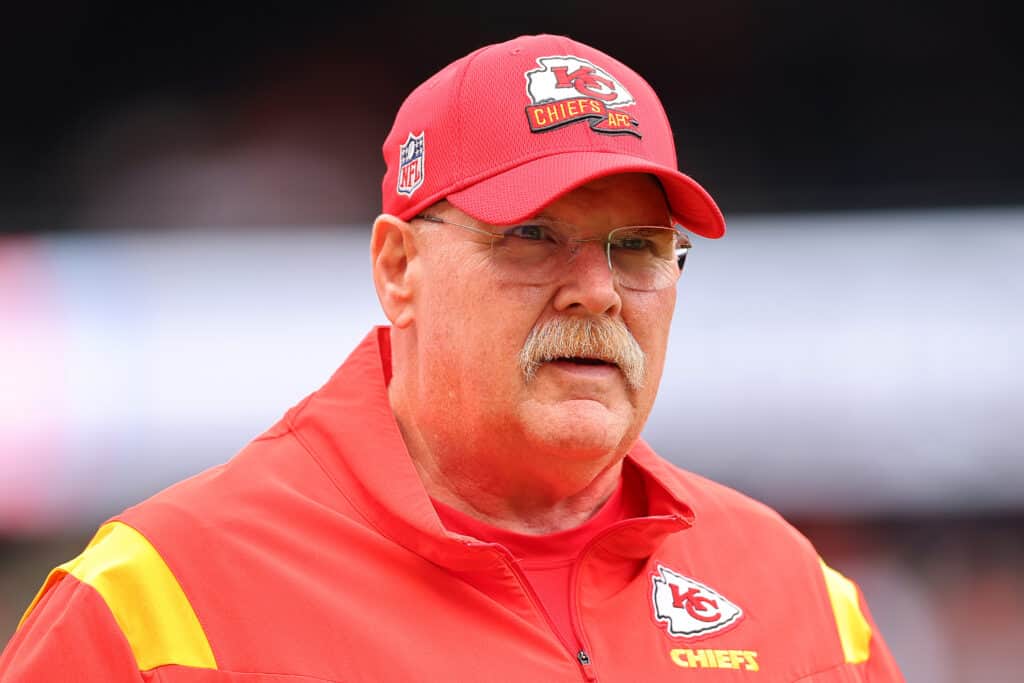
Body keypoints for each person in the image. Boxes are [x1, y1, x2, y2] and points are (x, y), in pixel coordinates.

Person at [0, 33, 904, 682]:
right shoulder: (161, 603)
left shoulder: (797, 597)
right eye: (534, 236)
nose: (596, 289)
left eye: (637, 247)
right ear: (399, 268)